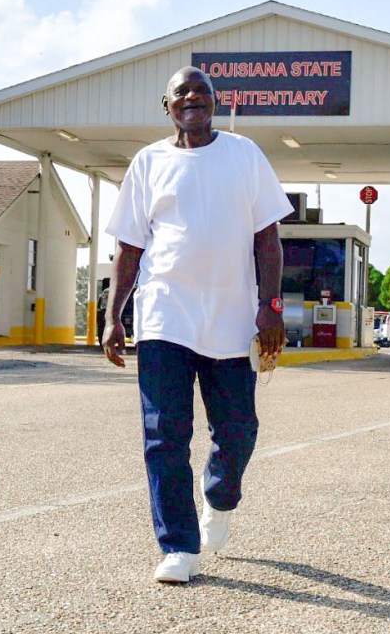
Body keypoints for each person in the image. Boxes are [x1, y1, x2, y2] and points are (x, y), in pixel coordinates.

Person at [102, 66, 291, 583]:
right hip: (165, 315)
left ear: (214, 103)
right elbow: (130, 247)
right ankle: (179, 547)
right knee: (164, 435)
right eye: (181, 92)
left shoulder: (244, 155)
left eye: (201, 91)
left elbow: (268, 240)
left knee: (237, 431)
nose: (192, 98)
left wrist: (268, 308)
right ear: (166, 107)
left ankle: (220, 499)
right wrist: (114, 314)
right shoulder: (148, 162)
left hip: (231, 318)